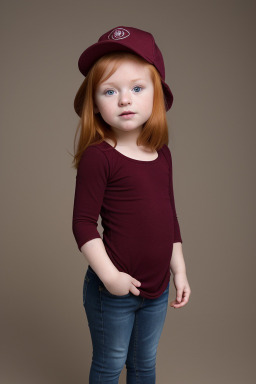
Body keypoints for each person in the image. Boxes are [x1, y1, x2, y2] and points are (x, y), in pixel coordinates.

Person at [72, 26, 191, 384]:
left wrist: (179, 270)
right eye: (110, 91)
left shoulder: (162, 155)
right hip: (114, 290)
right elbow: (82, 224)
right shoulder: (100, 157)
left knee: (144, 364)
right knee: (110, 364)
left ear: (156, 95)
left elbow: (169, 216)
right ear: (95, 103)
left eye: (137, 88)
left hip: (157, 290)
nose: (125, 100)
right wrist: (111, 278)